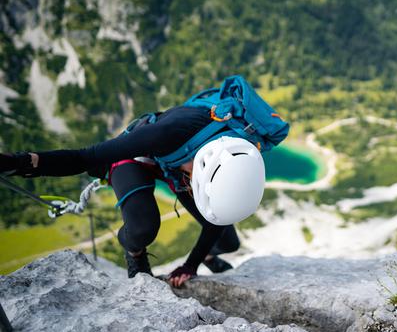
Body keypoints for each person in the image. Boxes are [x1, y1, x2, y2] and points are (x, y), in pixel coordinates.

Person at [0, 77, 285, 287]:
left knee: (229, 241)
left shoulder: (239, 150)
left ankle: (211, 257)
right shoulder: (161, 135)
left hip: (179, 160)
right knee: (143, 227)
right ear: (197, 171)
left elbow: (217, 218)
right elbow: (84, 157)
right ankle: (134, 253)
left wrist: (191, 264)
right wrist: (21, 162)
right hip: (140, 155)